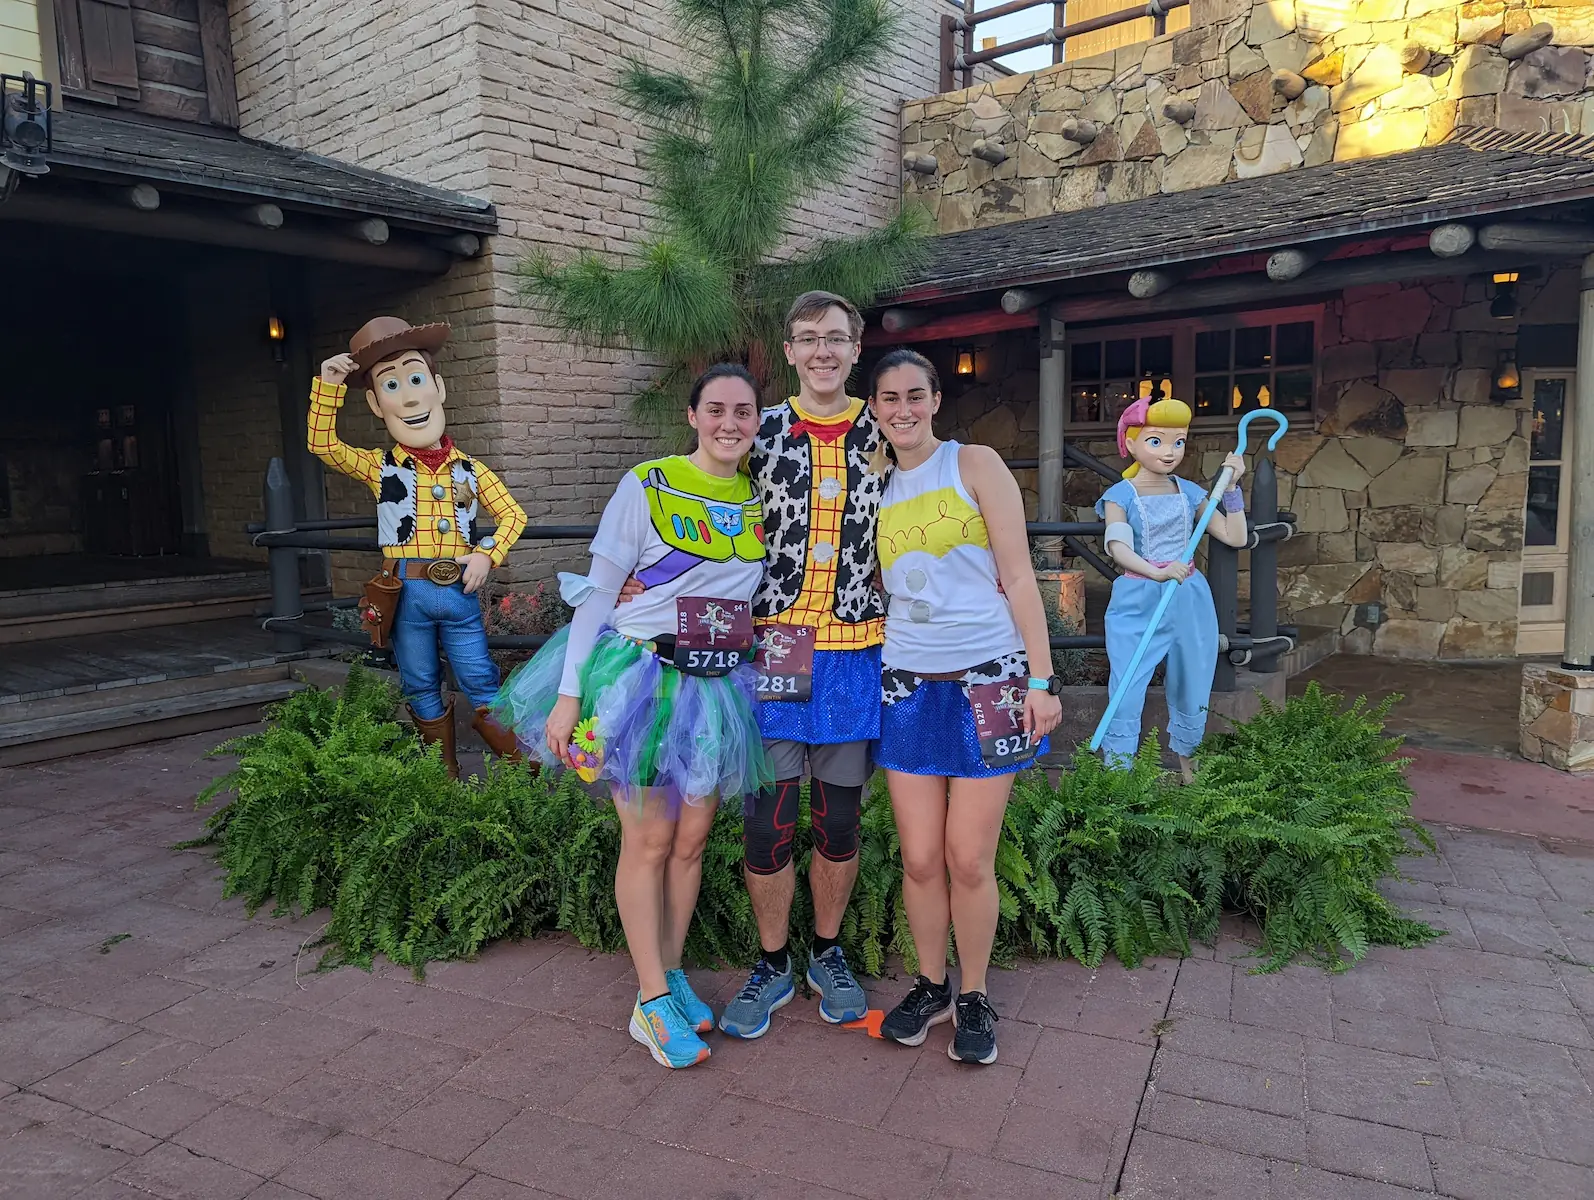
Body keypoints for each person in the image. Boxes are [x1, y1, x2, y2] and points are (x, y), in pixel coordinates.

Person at [490, 364, 772, 1070]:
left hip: (715, 688)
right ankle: (649, 1003)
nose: (729, 423)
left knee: (691, 841)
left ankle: (670, 974)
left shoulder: (760, 500)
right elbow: (598, 594)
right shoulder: (647, 484)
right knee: (647, 841)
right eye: (716, 409)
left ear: (758, 421)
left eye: (743, 411)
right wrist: (568, 695)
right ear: (692, 415)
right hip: (641, 681)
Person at [868, 348, 1063, 1066]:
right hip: (907, 686)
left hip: (992, 682)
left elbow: (1018, 575)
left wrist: (1041, 680)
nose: (902, 409)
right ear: (876, 409)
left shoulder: (974, 465)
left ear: (935, 399)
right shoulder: (876, 487)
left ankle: (975, 992)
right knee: (920, 858)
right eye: (888, 398)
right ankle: (930, 984)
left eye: (914, 394)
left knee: (969, 858)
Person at [713, 291, 890, 1039]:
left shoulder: (890, 431)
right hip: (777, 645)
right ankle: (772, 959)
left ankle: (827, 951)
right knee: (770, 820)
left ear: (856, 348)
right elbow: (707, 518)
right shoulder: (758, 432)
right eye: (808, 338)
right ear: (788, 351)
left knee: (840, 819)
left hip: (855, 651)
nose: (823, 350)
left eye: (837, 338)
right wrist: (644, 578)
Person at [312, 317, 526, 777]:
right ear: (374, 402)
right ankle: (443, 780)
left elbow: (513, 514)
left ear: (438, 387)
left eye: (415, 378)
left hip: (459, 594)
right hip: (405, 595)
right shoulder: (379, 467)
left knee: (480, 680)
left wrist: (486, 552)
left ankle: (525, 776)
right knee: (419, 683)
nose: (408, 396)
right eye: (392, 385)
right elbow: (323, 445)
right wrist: (329, 385)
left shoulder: (471, 470)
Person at [1095, 394, 1247, 782]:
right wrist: (1156, 572)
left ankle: (1190, 777)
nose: (1170, 452)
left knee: (1193, 685)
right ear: (1130, 443)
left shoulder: (1191, 492)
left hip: (1189, 598)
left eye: (1178, 442)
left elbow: (1234, 536)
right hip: (1138, 598)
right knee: (1126, 689)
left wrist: (1231, 489)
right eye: (1156, 441)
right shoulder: (1119, 497)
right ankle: (1116, 784)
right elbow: (1117, 548)